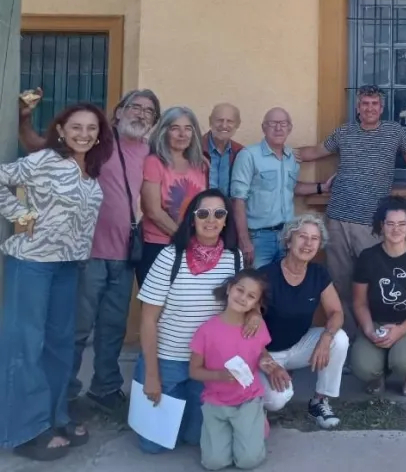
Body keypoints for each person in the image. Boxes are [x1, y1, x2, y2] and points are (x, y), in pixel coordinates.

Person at [21, 89, 161, 412]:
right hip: (88, 252)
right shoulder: (95, 140)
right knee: (77, 328)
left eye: (149, 111)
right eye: (135, 107)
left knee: (113, 327)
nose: (141, 114)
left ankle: (105, 388)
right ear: (119, 111)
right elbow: (36, 147)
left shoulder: (149, 151)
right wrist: (24, 120)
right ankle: (64, 390)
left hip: (125, 254)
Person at [0, 104, 113, 461]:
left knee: (59, 345)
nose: (84, 134)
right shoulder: (45, 159)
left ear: (99, 134)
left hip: (67, 266)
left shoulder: (91, 169)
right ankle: (24, 430)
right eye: (75, 127)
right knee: (25, 346)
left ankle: (54, 418)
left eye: (91, 128)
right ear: (61, 130)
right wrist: (20, 214)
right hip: (32, 262)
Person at [295, 85, 406, 338]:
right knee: (340, 283)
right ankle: (349, 341)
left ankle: (375, 337)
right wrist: (280, 151)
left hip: (372, 222)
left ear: (381, 108)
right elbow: (315, 152)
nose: (369, 108)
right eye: (365, 103)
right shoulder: (344, 132)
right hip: (338, 219)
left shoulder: (394, 132)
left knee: (374, 283)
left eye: (374, 103)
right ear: (358, 107)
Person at [134, 189, 245, 454]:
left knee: (194, 438)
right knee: (154, 446)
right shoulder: (170, 257)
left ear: (226, 220)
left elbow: (242, 306)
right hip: (168, 361)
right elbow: (148, 320)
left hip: (206, 365)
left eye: (219, 213)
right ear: (192, 219)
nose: (211, 220)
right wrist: (152, 376)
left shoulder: (235, 259)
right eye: (203, 213)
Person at [258, 214, 350, 429]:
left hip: (299, 346)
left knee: (340, 338)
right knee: (277, 400)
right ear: (289, 241)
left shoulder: (318, 273)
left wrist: (326, 338)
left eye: (314, 238)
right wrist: (269, 363)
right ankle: (256, 403)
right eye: (302, 236)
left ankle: (319, 401)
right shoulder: (266, 276)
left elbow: (336, 312)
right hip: (266, 352)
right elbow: (248, 326)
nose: (308, 243)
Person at [190, 270, 280, 471]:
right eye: (240, 290)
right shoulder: (207, 330)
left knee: (248, 461)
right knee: (214, 463)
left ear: (256, 304)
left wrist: (267, 363)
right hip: (215, 402)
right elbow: (194, 371)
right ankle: (240, 432)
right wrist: (220, 376)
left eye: (251, 296)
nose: (243, 298)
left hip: (247, 400)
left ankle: (257, 422)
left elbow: (262, 354)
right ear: (230, 289)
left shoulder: (256, 327)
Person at [351, 196, 406, 396]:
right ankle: (378, 373)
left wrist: (400, 331)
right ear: (381, 226)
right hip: (378, 322)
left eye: (401, 224)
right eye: (390, 223)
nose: (396, 229)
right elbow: (359, 302)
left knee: (403, 362)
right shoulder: (368, 257)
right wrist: (368, 329)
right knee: (362, 367)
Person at [230, 108, 327, 268]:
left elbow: (291, 187)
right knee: (257, 286)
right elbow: (238, 199)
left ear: (290, 128)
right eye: (273, 123)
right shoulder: (248, 155)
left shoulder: (291, 157)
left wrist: (321, 187)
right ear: (263, 127)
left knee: (284, 285)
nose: (278, 128)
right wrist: (244, 239)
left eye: (283, 124)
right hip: (259, 237)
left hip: (288, 236)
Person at [137, 106, 209, 285]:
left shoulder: (199, 165)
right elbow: (152, 210)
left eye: (188, 129)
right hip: (158, 246)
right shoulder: (154, 162)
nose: (182, 134)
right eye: (175, 128)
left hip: (192, 247)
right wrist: (185, 238)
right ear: (164, 132)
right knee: (157, 308)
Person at [202, 103, 244, 198]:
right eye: (219, 120)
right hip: (200, 210)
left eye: (230, 121)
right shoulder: (195, 149)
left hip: (229, 211)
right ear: (210, 121)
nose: (224, 125)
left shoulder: (241, 152)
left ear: (237, 124)